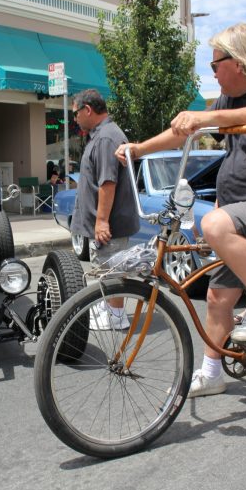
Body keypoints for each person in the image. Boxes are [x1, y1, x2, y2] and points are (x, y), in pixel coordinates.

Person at [115, 23, 246, 396]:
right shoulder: (229, 100)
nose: (211, 73)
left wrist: (204, 118)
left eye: (214, 65)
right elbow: (185, 133)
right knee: (216, 297)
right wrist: (139, 149)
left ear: (239, 62)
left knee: (215, 224)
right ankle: (212, 373)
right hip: (243, 216)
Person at [70, 88, 139, 330]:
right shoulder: (102, 135)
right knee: (105, 268)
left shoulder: (106, 137)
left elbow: (107, 182)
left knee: (111, 269)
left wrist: (101, 221)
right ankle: (109, 313)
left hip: (110, 224)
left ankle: (115, 317)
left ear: (87, 110)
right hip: (105, 223)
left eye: (76, 113)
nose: (75, 119)